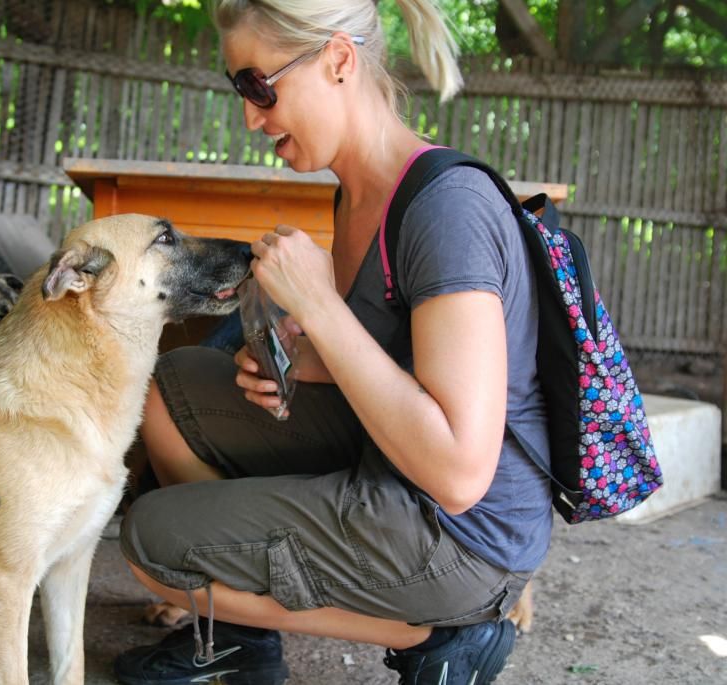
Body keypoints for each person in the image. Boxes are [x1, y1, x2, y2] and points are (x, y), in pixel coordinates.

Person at [114, 1, 552, 683]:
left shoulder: (446, 210)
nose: (251, 118)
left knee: (151, 541)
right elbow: (395, 360)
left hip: (463, 535)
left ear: (339, 61)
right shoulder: (356, 193)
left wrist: (321, 305)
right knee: (171, 390)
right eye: (241, 91)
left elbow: (462, 472)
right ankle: (241, 641)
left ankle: (449, 630)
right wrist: (304, 360)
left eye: (260, 87)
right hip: (391, 460)